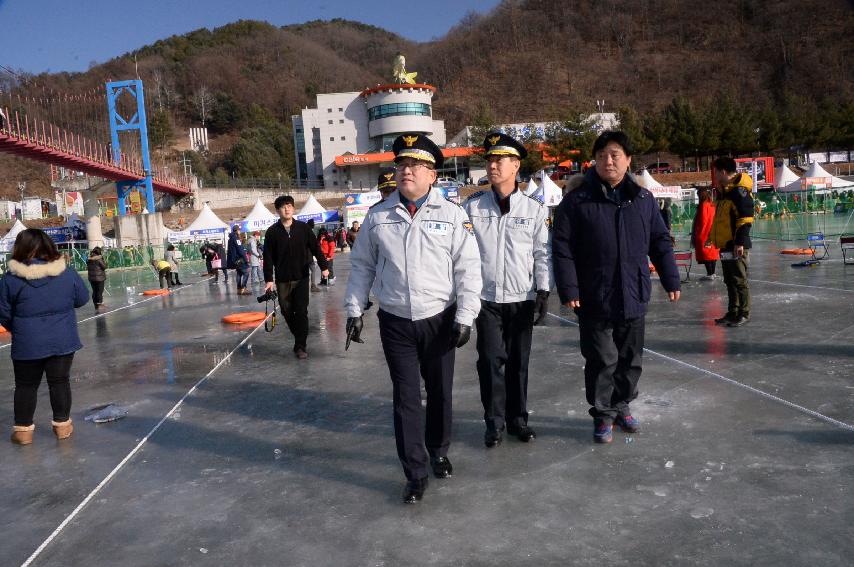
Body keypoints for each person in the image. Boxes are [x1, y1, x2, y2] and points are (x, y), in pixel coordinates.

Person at [344, 133, 482, 504]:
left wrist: (466, 316)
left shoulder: (453, 215)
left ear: (432, 174)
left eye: (415, 165)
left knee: (439, 392)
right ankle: (415, 472)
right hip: (395, 321)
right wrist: (355, 309)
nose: (406, 171)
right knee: (406, 397)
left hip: (440, 318)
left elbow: (468, 269)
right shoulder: (378, 216)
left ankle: (438, 449)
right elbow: (361, 266)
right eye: (402, 164)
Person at [552, 131, 680, 445]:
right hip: (593, 296)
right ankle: (603, 414)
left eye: (615, 154)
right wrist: (569, 289)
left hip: (633, 293)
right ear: (593, 160)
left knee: (630, 360)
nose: (608, 161)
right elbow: (562, 247)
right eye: (602, 155)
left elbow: (659, 241)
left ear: (628, 160)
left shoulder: (643, 199)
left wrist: (670, 277)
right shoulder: (577, 201)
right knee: (601, 360)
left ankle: (622, 405)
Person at [463, 132, 551, 448]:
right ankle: (494, 422)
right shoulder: (471, 207)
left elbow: (542, 252)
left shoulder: (534, 209)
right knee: (488, 361)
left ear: (516, 165)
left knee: (518, 362)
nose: (493, 165)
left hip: (521, 297)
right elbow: (463, 253)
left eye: (500, 159)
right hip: (485, 299)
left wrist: (543, 290)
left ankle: (517, 420)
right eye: (489, 159)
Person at [0, 228, 89, 445]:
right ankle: (62, 427)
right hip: (62, 339)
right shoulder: (67, 273)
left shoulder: (10, 279)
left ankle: (23, 432)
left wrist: (20, 327)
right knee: (59, 382)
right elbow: (82, 299)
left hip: (27, 343)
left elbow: (3, 312)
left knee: (25, 385)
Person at [262, 195, 329, 359]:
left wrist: (324, 267)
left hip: (301, 277)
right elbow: (268, 257)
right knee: (285, 310)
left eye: (290, 206)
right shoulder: (272, 232)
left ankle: (301, 345)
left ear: (293, 208)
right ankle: (299, 337)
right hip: (283, 279)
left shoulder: (303, 229)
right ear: (277, 211)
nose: (287, 209)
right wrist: (269, 279)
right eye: (283, 207)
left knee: (300, 311)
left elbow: (315, 248)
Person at [710, 157, 754, 327]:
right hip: (725, 244)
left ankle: (744, 312)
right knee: (729, 280)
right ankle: (733, 311)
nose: (714, 175)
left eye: (715, 171)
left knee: (739, 280)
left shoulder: (738, 191)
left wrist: (739, 242)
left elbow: (745, 219)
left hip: (736, 245)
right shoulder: (725, 191)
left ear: (722, 171)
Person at [691, 187, 719, 279]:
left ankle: (710, 274)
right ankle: (713, 273)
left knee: (706, 254)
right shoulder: (712, 205)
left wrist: (697, 232)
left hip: (704, 234)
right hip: (713, 233)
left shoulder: (703, 205)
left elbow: (703, 221)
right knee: (712, 254)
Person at [227, 225, 250, 295]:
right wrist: (246, 259)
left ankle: (239, 289)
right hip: (239, 259)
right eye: (239, 230)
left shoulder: (230, 239)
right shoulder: (236, 239)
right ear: (237, 231)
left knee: (239, 273)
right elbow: (240, 250)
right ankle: (243, 288)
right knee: (246, 272)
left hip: (234, 260)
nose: (240, 231)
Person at [86, 246, 107, 311]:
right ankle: (100, 304)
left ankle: (96, 305)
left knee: (95, 291)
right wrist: (104, 260)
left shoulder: (89, 259)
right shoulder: (99, 259)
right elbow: (104, 266)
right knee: (99, 291)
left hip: (91, 278)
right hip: (99, 277)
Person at [306, 219, 321, 292]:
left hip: (304, 256)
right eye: (313, 224)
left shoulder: (303, 231)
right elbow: (314, 245)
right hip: (308, 256)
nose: (314, 225)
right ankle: (313, 286)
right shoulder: (309, 232)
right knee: (313, 270)